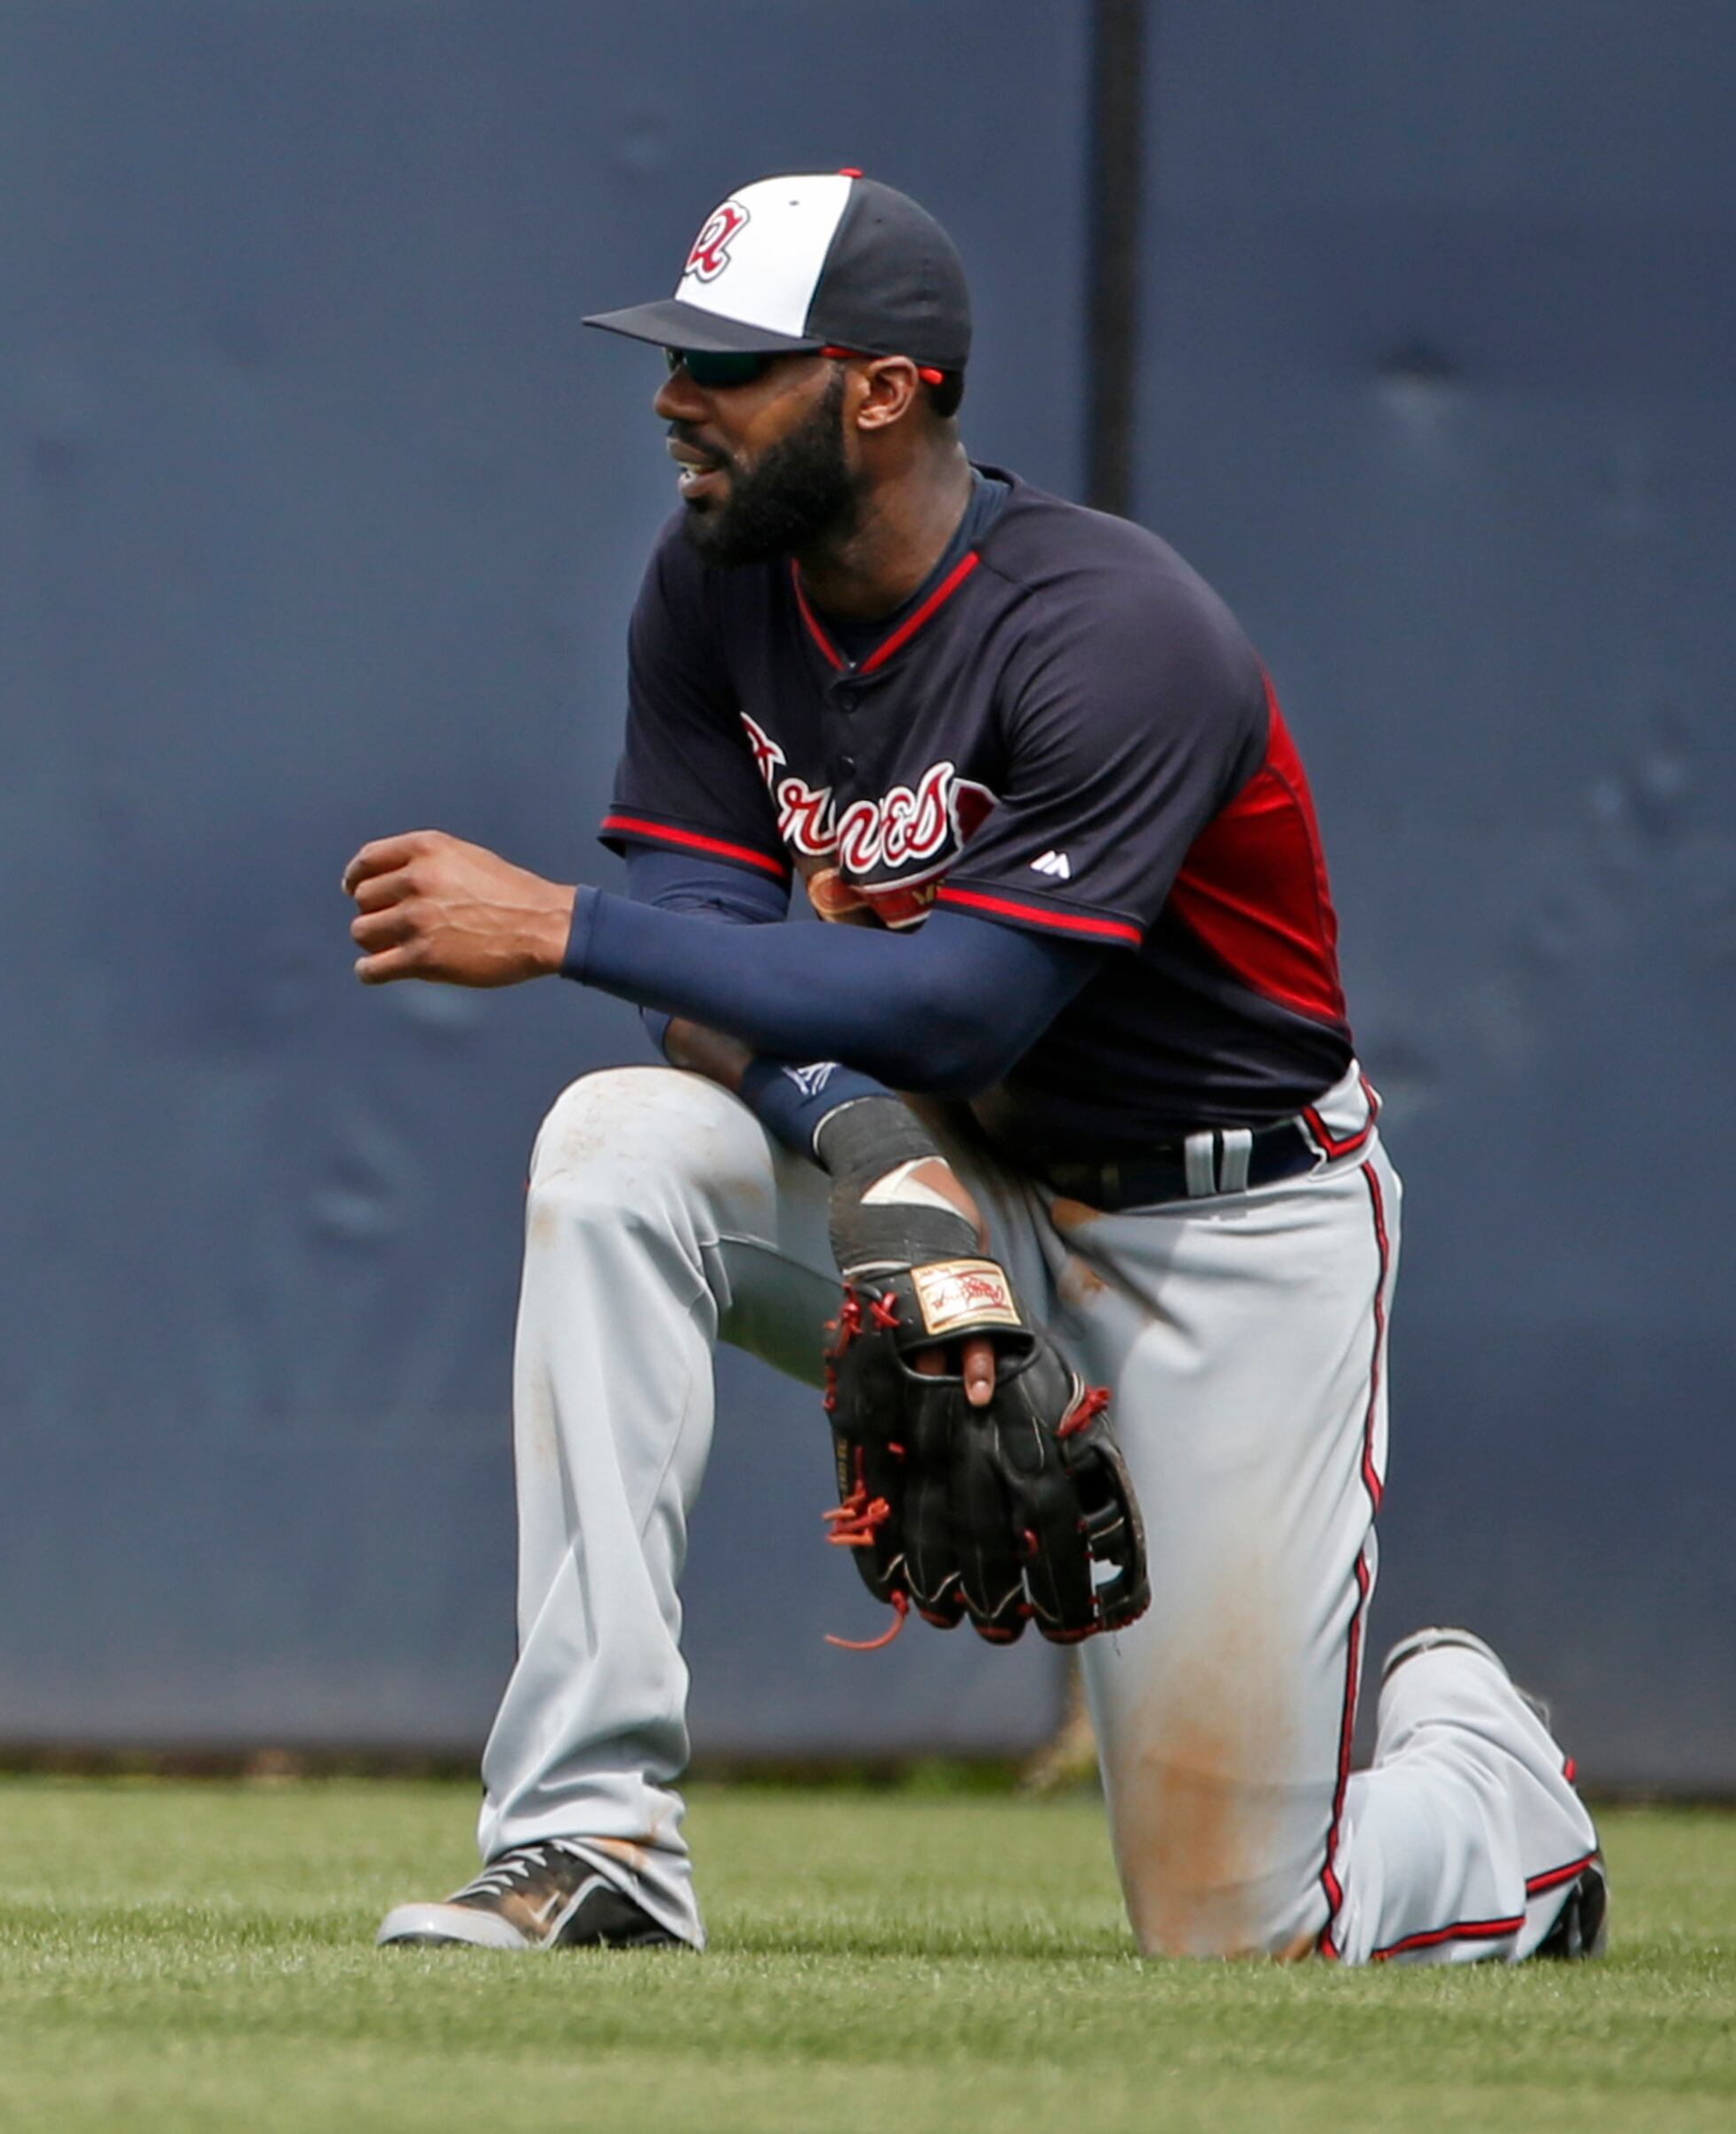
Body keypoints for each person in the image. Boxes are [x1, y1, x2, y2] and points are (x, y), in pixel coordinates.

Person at [342, 172, 1602, 1962]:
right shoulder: (712, 593)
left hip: (1226, 1236)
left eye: (729, 361)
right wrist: (866, 1141)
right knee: (617, 1145)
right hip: (963, 1183)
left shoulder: (1114, 631)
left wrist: (560, 923)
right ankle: (591, 1833)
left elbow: (963, 1005)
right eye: (675, 355)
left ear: (882, 387)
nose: (671, 397)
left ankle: (1489, 1781)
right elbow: (705, 980)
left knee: (1250, 1940)